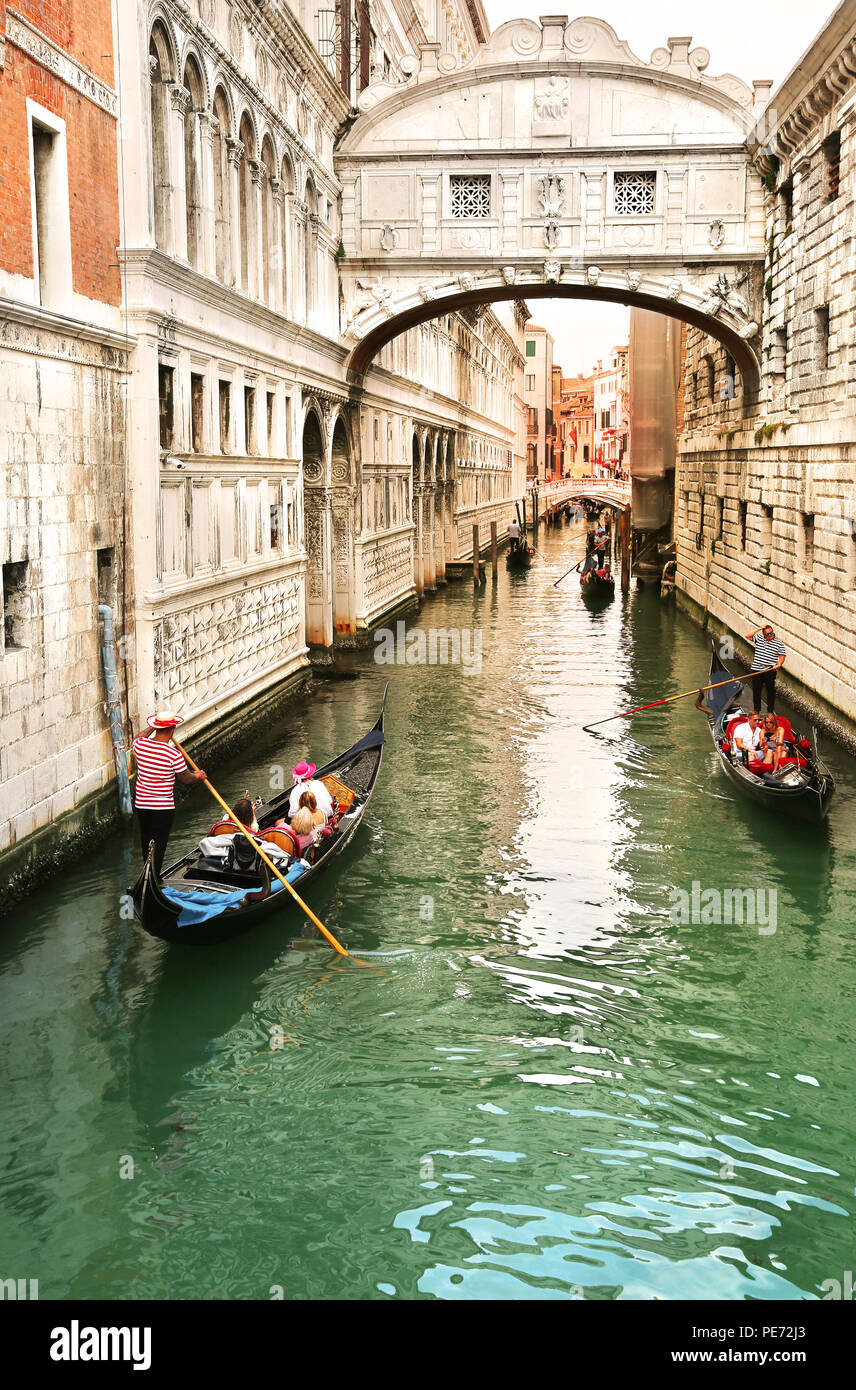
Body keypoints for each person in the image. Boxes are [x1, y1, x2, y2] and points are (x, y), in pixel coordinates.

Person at [132, 711, 206, 873]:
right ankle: (154, 878)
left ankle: (147, 874)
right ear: (172, 730)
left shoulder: (140, 745)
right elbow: (186, 778)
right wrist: (198, 776)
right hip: (162, 808)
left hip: (142, 804)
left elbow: (138, 736)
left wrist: (153, 726)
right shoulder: (174, 755)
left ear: (156, 727)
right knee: (159, 843)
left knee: (146, 840)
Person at [745, 622, 786, 712]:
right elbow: (747, 636)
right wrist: (759, 628)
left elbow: (782, 655)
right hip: (756, 670)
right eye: (767, 634)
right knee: (756, 691)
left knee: (770, 692)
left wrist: (779, 664)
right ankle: (757, 710)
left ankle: (770, 711)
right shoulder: (759, 638)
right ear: (764, 634)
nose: (770, 635)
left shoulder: (779, 643)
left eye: (771, 633)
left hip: (769, 670)